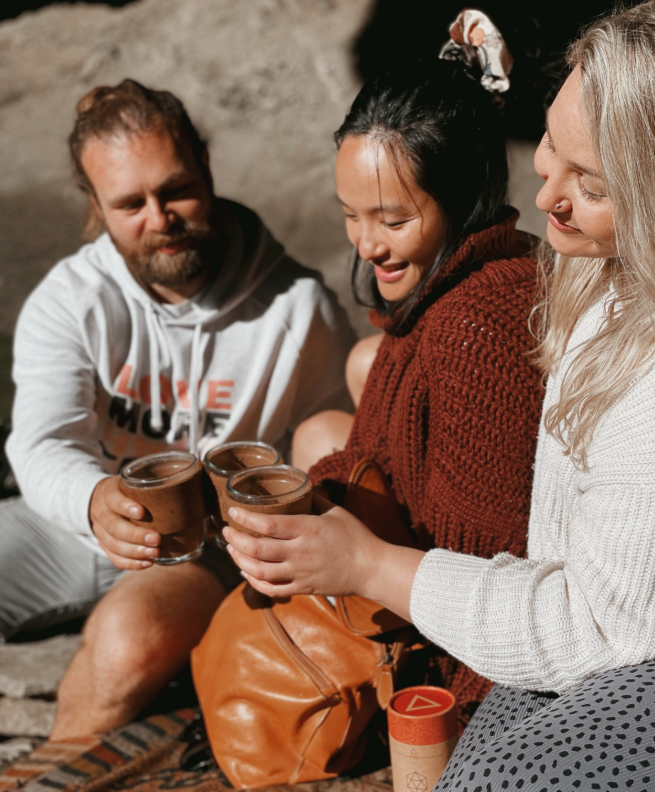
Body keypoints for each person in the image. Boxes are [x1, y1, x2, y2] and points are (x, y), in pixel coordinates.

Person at [224, 3, 655, 786]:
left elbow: (548, 586)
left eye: (589, 183)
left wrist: (364, 564)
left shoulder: (481, 327)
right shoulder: (588, 278)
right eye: (548, 147)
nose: (546, 197)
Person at [0, 79, 355, 739]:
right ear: (95, 205)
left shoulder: (296, 310)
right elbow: (41, 442)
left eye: (176, 190)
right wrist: (92, 500)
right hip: (73, 524)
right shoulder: (70, 300)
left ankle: (57, 776)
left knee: (126, 638)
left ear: (206, 167)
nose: (159, 218)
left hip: (204, 546)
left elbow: (332, 452)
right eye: (129, 203)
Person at [234, 13, 545, 730]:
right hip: (423, 569)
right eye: (351, 215)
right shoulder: (473, 275)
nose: (366, 244)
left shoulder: (476, 326)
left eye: (393, 220)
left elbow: (484, 561)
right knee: (329, 417)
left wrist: (448, 722)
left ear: (461, 196)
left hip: (472, 641)